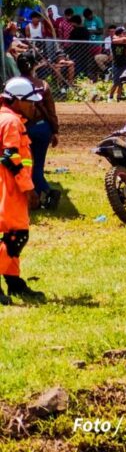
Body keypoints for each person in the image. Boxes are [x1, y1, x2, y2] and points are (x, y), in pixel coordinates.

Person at [0, 78, 42, 304]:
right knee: (16, 236)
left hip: (7, 185)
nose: (33, 106)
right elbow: (11, 157)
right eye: (29, 102)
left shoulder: (6, 118)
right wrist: (29, 188)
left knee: (10, 236)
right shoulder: (11, 122)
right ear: (16, 100)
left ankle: (14, 282)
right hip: (11, 186)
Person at [14, 53, 60, 209]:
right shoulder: (43, 85)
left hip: (20, 129)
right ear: (34, 66)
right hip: (42, 128)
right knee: (37, 166)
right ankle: (44, 194)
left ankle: (33, 196)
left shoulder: (11, 85)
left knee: (20, 165)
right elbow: (51, 111)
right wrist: (55, 131)